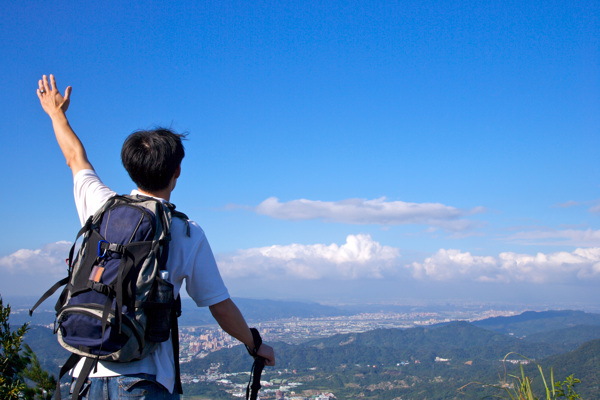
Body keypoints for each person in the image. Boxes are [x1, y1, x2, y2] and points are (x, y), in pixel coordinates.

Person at [37, 74, 275, 399]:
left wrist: (56, 113)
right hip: (144, 382)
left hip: (87, 373)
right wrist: (254, 344)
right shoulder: (185, 231)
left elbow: (75, 158)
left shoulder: (101, 206)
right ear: (177, 172)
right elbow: (219, 306)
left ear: (130, 167)